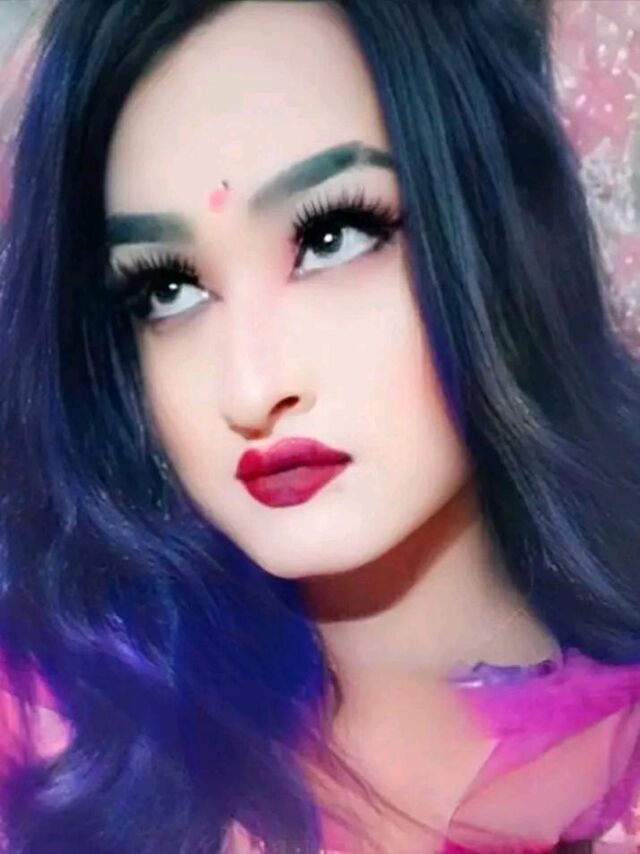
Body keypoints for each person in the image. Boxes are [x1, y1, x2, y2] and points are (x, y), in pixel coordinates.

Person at [0, 1, 640, 851]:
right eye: (167, 289)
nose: (251, 388)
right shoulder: (55, 734)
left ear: (505, 228)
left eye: (334, 237)